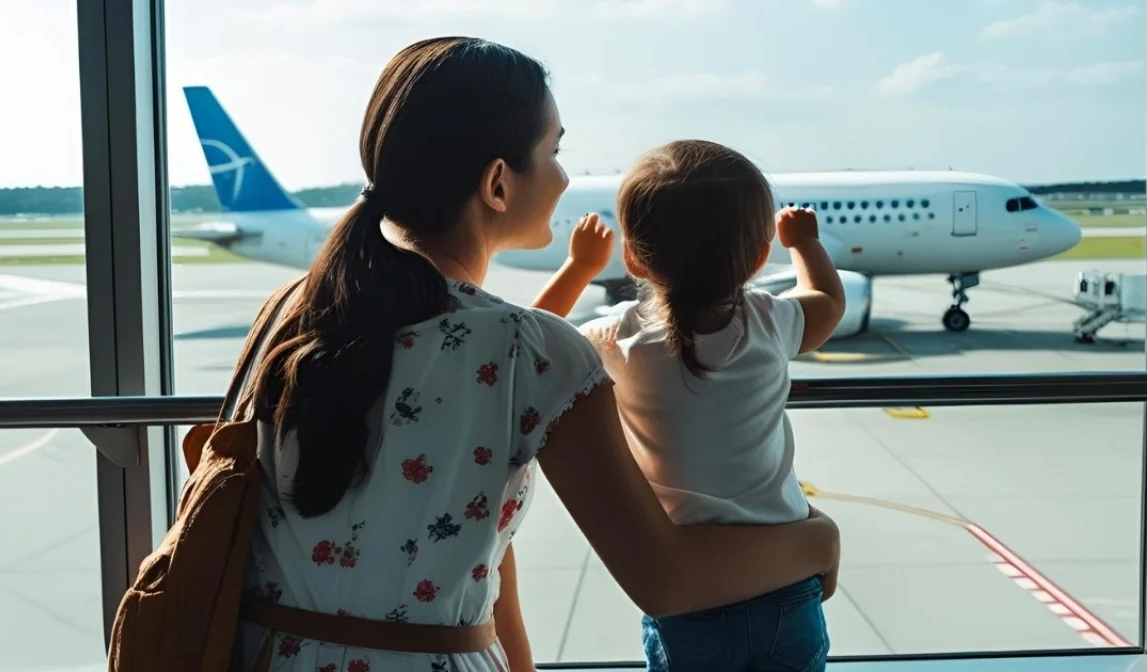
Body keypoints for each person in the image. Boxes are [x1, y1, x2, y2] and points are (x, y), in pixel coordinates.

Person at [231, 37, 840, 672]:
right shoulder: (531, 350)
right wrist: (818, 539)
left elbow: (480, 547)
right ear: (498, 182)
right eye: (554, 151)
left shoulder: (290, 311)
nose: (565, 177)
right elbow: (665, 580)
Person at [532, 139, 848, 671]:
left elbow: (530, 339)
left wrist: (580, 266)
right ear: (756, 256)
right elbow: (829, 303)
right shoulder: (771, 322)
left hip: (691, 586)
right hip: (786, 577)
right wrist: (806, 245)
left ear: (634, 256)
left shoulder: (615, 340)